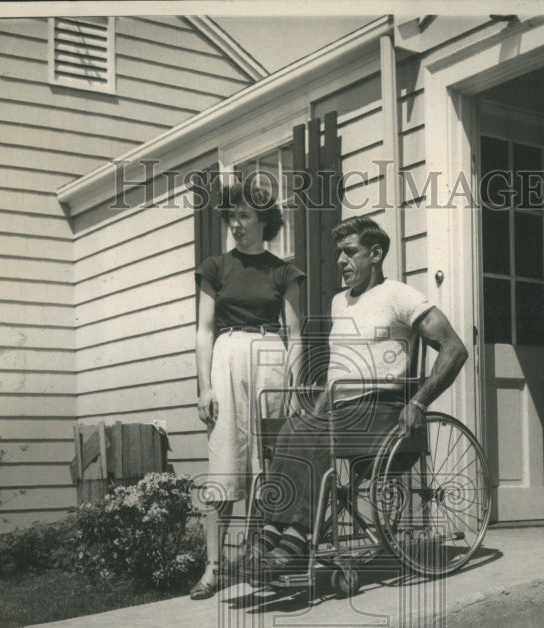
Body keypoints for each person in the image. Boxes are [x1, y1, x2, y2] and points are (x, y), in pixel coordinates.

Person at [250, 217, 469, 579]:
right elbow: (338, 371)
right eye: (339, 252)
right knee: (293, 428)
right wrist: (315, 411)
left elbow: (454, 349)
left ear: (376, 254)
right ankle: (271, 533)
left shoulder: (400, 295)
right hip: (341, 409)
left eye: (350, 252)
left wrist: (419, 403)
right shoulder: (340, 302)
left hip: (384, 410)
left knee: (312, 433)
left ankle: (296, 538)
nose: (340, 260)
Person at [191, 179, 305, 600]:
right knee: (224, 461)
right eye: (231, 216)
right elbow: (204, 331)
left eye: (244, 216)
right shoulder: (215, 267)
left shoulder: (283, 271)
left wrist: (291, 388)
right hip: (227, 358)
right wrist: (205, 388)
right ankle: (214, 567)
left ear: (263, 221)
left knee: (266, 464)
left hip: (271, 361)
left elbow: (295, 334)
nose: (236, 224)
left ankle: (257, 559)